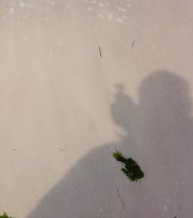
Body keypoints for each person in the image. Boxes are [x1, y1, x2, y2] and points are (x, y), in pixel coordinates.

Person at [28, 71, 193, 217]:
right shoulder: (102, 164)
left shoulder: (104, 162)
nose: (163, 135)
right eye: (157, 120)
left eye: (174, 119)